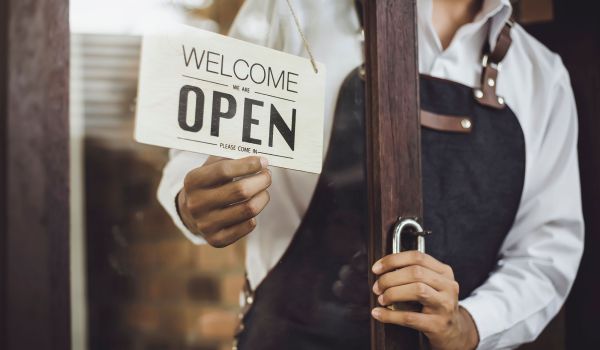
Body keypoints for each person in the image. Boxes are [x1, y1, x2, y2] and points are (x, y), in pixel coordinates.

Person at [157, 0, 584, 349]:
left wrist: (469, 324)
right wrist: (191, 200)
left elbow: (546, 253)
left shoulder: (542, 76)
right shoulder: (292, 11)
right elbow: (197, 152)